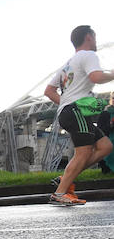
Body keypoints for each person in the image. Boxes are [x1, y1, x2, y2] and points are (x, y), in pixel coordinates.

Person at [44, 25, 114, 205]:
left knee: (105, 146)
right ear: (89, 37)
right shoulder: (89, 55)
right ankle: (59, 193)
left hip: (71, 111)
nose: (96, 41)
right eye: (95, 37)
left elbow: (49, 91)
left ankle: (65, 178)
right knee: (83, 153)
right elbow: (96, 77)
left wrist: (66, 102)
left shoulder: (67, 64)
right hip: (76, 111)